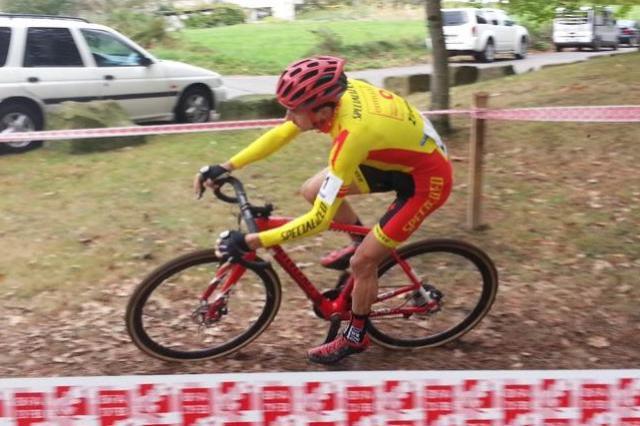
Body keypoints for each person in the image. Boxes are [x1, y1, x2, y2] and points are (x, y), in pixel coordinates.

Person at [193, 56, 452, 364]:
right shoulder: (335, 95)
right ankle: (357, 239)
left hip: (426, 180)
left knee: (363, 263)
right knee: (311, 190)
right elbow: (282, 133)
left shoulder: (351, 136)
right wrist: (227, 165)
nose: (287, 115)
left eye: (293, 109)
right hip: (398, 156)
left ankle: (356, 335)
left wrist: (253, 242)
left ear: (323, 111)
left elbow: (319, 220)